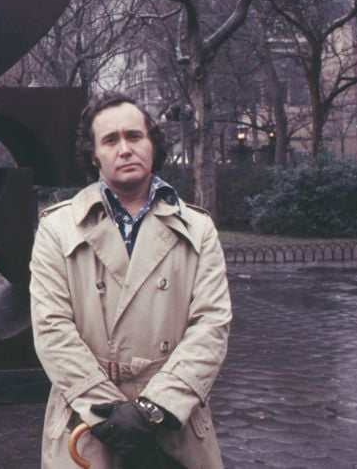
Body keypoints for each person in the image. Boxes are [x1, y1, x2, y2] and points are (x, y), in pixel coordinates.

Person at [30, 93, 231, 468]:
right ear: (94, 155)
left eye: (134, 136)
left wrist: (154, 408)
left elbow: (211, 326)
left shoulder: (198, 228)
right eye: (110, 140)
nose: (125, 149)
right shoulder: (56, 229)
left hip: (174, 422)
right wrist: (109, 415)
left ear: (153, 144)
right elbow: (51, 328)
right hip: (88, 422)